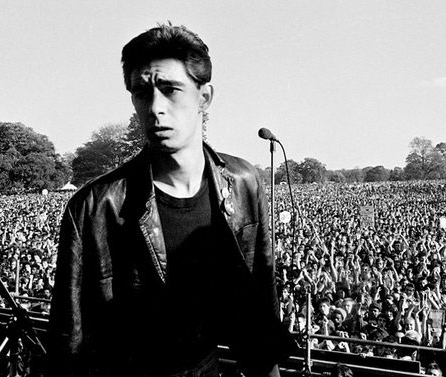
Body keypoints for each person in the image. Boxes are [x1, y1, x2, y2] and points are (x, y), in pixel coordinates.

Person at [48, 23, 295, 377]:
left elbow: (258, 302)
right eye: (141, 93)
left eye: (170, 89)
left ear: (204, 97)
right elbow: (69, 340)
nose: (155, 108)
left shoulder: (243, 183)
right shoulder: (95, 206)